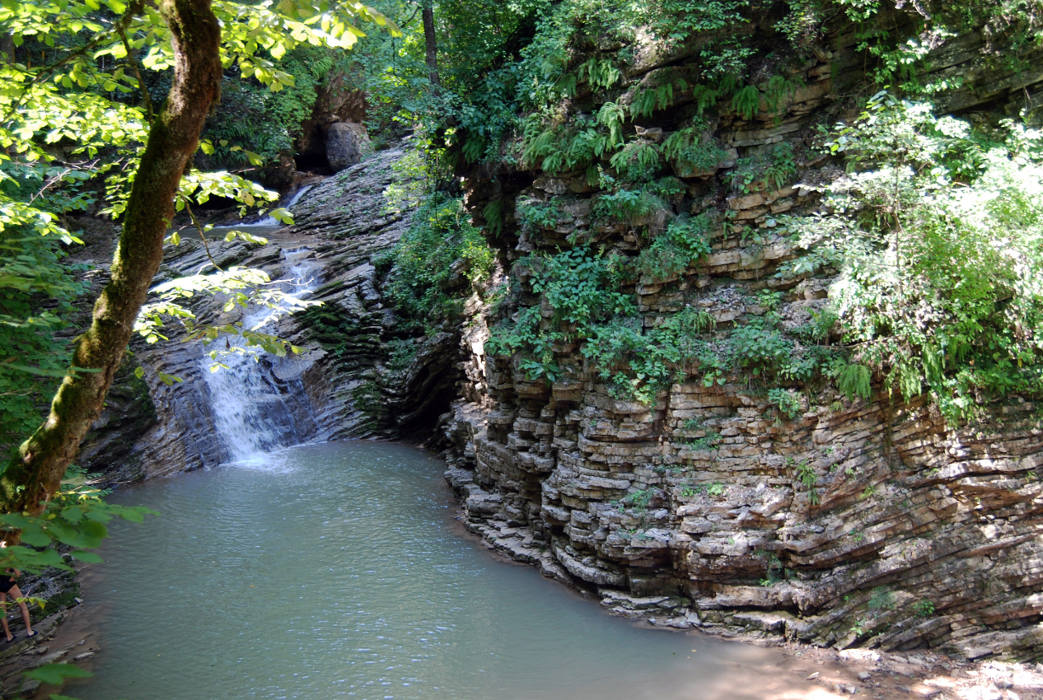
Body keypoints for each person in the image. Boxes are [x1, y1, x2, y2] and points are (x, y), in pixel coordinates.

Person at [0, 571, 35, 642]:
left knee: (2, 612)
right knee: (23, 607)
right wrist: (11, 579)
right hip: (10, 583)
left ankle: (9, 636)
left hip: (0, 585)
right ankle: (29, 631)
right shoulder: (8, 559)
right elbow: (18, 573)